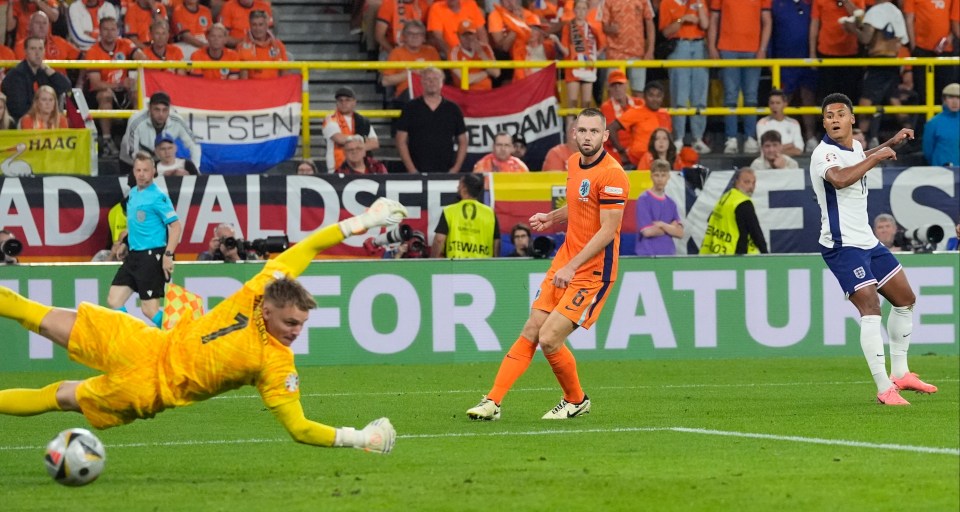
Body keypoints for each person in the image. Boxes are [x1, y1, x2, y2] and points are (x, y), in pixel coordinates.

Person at [0, 198, 407, 453]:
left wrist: (359, 438)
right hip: (143, 342)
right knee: (35, 314)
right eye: (290, 322)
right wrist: (363, 221)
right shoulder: (258, 292)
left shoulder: (275, 365)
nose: (295, 332)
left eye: (301, 325)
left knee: (58, 395)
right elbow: (308, 247)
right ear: (267, 308)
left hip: (147, 389)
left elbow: (299, 429)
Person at [465, 108, 629, 421]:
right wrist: (551, 217)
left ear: (605, 136)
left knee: (550, 338)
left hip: (593, 271)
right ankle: (492, 402)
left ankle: (576, 399)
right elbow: (581, 203)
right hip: (566, 259)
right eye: (582, 131)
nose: (587, 137)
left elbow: (608, 230)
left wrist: (572, 267)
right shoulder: (572, 163)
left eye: (594, 132)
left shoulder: (613, 175)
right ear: (574, 133)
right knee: (532, 329)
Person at [810, 92, 936, 405]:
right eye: (829, 116)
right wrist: (877, 157)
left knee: (905, 299)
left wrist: (888, 144)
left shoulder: (853, 147)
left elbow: (860, 155)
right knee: (870, 309)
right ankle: (883, 388)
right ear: (824, 122)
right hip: (842, 246)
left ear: (852, 118)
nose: (834, 120)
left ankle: (901, 373)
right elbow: (839, 179)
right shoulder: (822, 155)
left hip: (866, 240)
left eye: (840, 114)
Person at [105, 153, 182, 328]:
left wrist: (168, 255)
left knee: (149, 310)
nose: (141, 174)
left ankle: (179, 333)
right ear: (133, 171)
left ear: (153, 171)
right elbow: (134, 225)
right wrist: (125, 244)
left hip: (152, 256)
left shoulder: (158, 197)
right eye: (138, 170)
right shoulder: (132, 194)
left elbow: (176, 227)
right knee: (114, 299)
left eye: (145, 170)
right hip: (134, 256)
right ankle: (135, 334)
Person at [708, 0, 771, 155]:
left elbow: (767, 21)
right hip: (727, 48)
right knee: (730, 96)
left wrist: (762, 48)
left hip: (753, 49)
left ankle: (750, 137)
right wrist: (711, 46)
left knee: (751, 96)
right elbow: (714, 19)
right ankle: (731, 138)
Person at [850, 0, 911, 144]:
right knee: (894, 99)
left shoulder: (875, 12)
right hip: (893, 62)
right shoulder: (896, 12)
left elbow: (866, 38)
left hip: (878, 62)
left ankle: (862, 139)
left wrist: (852, 28)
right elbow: (903, 40)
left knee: (866, 101)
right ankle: (910, 133)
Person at [83, 17, 146, 156]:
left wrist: (133, 76)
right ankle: (106, 141)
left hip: (124, 91)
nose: (109, 33)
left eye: (113, 29)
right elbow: (95, 83)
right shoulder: (93, 52)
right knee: (105, 95)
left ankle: (135, 138)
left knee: (138, 96)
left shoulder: (125, 44)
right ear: (100, 31)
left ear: (118, 31)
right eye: (105, 29)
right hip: (102, 91)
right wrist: (118, 84)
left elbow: (143, 59)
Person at [660, 0, 712, 154]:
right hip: (679, 46)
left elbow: (705, 24)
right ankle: (678, 138)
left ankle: (697, 138)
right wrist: (682, 19)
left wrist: (699, 6)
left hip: (699, 46)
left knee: (700, 95)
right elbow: (666, 31)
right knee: (679, 96)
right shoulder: (667, 3)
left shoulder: (699, 1)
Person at [395, 67, 468, 173]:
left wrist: (455, 169)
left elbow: (463, 141)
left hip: (446, 171)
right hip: (417, 171)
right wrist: (412, 170)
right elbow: (400, 141)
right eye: (428, 79)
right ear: (422, 82)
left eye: (435, 79)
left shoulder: (453, 109)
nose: (431, 82)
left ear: (442, 82)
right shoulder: (410, 108)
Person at [120, 92, 202, 172]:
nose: (161, 114)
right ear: (149, 107)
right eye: (157, 109)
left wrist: (195, 170)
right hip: (130, 161)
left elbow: (194, 145)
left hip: (160, 161)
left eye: (165, 110)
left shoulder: (177, 121)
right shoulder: (136, 121)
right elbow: (132, 151)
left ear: (169, 108)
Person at [1, 36, 72, 122]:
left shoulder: (44, 72)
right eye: (33, 49)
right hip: (23, 125)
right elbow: (19, 110)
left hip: (44, 122)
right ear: (25, 52)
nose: (37, 53)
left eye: (41, 49)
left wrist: (50, 71)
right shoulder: (16, 75)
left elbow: (66, 87)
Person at [699, 167, 769, 255]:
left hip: (716, 251)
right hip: (735, 253)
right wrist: (766, 254)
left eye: (753, 183)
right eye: (746, 182)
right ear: (736, 182)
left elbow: (711, 220)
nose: (751, 187)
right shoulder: (743, 202)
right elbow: (755, 232)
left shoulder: (725, 197)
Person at [904, 0, 960, 108]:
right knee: (922, 93)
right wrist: (914, 47)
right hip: (921, 50)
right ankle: (925, 123)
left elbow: (955, 20)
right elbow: (909, 17)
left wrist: (949, 38)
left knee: (945, 93)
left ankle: (944, 123)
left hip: (945, 51)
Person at [431, 174, 500, 258]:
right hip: (483, 266)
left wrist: (432, 261)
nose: (457, 188)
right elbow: (496, 242)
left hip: (456, 265)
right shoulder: (490, 213)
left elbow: (439, 240)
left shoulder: (449, 211)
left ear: (464, 189)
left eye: (459, 185)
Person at [607, 81, 672, 167]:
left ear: (663, 97)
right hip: (636, 162)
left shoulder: (665, 115)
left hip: (660, 163)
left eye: (658, 96)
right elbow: (611, 128)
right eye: (651, 95)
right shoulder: (636, 111)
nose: (655, 99)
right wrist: (621, 152)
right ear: (644, 97)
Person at [560, 0, 606, 114]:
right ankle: (570, 130)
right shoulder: (568, 27)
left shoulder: (591, 28)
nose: (580, 12)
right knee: (572, 103)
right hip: (573, 68)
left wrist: (594, 56)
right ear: (574, 10)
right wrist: (556, 41)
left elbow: (602, 45)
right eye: (578, 8)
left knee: (586, 103)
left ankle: (584, 129)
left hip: (588, 68)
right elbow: (565, 51)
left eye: (583, 9)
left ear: (587, 10)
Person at [381, 20, 441, 106]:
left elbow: (441, 76)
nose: (415, 37)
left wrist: (426, 72)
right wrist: (411, 72)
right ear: (404, 37)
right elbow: (386, 81)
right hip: (406, 93)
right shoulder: (396, 52)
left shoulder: (432, 51)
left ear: (424, 38)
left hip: (429, 90)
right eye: (410, 34)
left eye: (418, 34)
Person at [601, 0, 655, 95]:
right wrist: (610, 29)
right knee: (614, 90)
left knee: (638, 91)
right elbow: (603, 26)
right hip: (615, 53)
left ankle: (636, 110)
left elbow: (650, 24)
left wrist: (650, 50)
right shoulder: (607, 1)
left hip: (637, 52)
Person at [322, 87, 379, 173]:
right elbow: (339, 139)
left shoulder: (363, 121)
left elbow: (375, 143)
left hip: (361, 169)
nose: (343, 103)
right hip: (337, 168)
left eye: (347, 100)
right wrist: (360, 144)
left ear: (354, 102)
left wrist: (356, 147)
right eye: (340, 100)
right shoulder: (330, 119)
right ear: (336, 103)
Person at [635, 159, 684, 256]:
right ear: (651, 176)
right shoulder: (643, 199)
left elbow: (680, 233)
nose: (660, 179)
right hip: (647, 254)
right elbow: (647, 232)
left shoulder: (671, 203)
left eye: (663, 175)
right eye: (657, 175)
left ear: (668, 177)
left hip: (668, 255)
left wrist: (662, 224)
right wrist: (671, 227)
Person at [237, 10, 289, 80]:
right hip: (253, 88)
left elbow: (284, 75)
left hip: (274, 87)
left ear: (266, 25)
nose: (257, 28)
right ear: (250, 25)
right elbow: (243, 79)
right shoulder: (242, 47)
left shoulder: (278, 45)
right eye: (254, 25)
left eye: (260, 24)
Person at [449, 20, 500, 91]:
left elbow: (496, 73)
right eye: (464, 35)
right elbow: (466, 80)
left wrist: (481, 53)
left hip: (487, 92)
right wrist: (487, 72)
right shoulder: (454, 52)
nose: (468, 38)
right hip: (466, 93)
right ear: (458, 36)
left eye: (470, 34)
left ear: (475, 34)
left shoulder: (485, 48)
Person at [756, 89, 804, 157]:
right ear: (768, 105)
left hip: (791, 162)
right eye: (772, 103)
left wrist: (775, 149)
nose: (774, 106)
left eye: (778, 103)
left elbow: (799, 150)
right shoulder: (762, 123)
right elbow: (764, 149)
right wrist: (789, 145)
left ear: (785, 104)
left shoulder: (794, 123)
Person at [922, 83, 959, 167]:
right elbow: (928, 151)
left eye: (958, 98)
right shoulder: (933, 123)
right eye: (951, 97)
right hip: (941, 173)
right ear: (944, 100)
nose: (955, 101)